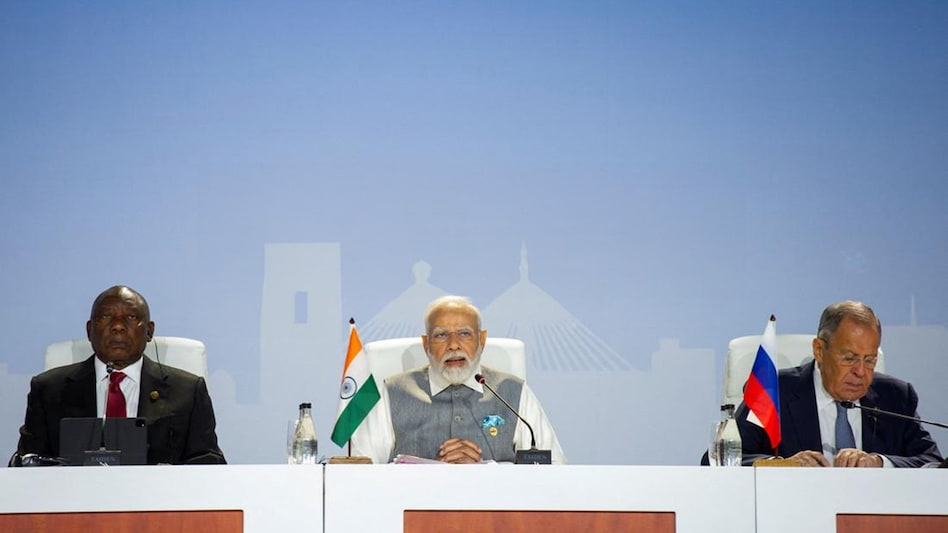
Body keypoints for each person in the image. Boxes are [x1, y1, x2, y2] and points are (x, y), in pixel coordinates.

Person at [15, 285, 226, 464]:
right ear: (89, 330)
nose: (117, 326)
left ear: (150, 331)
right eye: (106, 317)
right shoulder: (48, 390)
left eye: (131, 317)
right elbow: (28, 463)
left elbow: (208, 464)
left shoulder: (187, 392)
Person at [350, 295, 566, 464]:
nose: (453, 345)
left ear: (481, 340)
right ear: (426, 344)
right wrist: (431, 473)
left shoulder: (512, 393)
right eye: (441, 335)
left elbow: (553, 469)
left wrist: (486, 471)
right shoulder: (392, 392)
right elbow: (364, 473)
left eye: (464, 334)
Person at [737, 300, 942, 467]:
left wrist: (879, 463)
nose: (860, 372)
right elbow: (721, 461)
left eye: (869, 360)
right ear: (819, 350)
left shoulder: (896, 397)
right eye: (849, 358)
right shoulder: (775, 391)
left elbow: (932, 463)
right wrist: (784, 466)